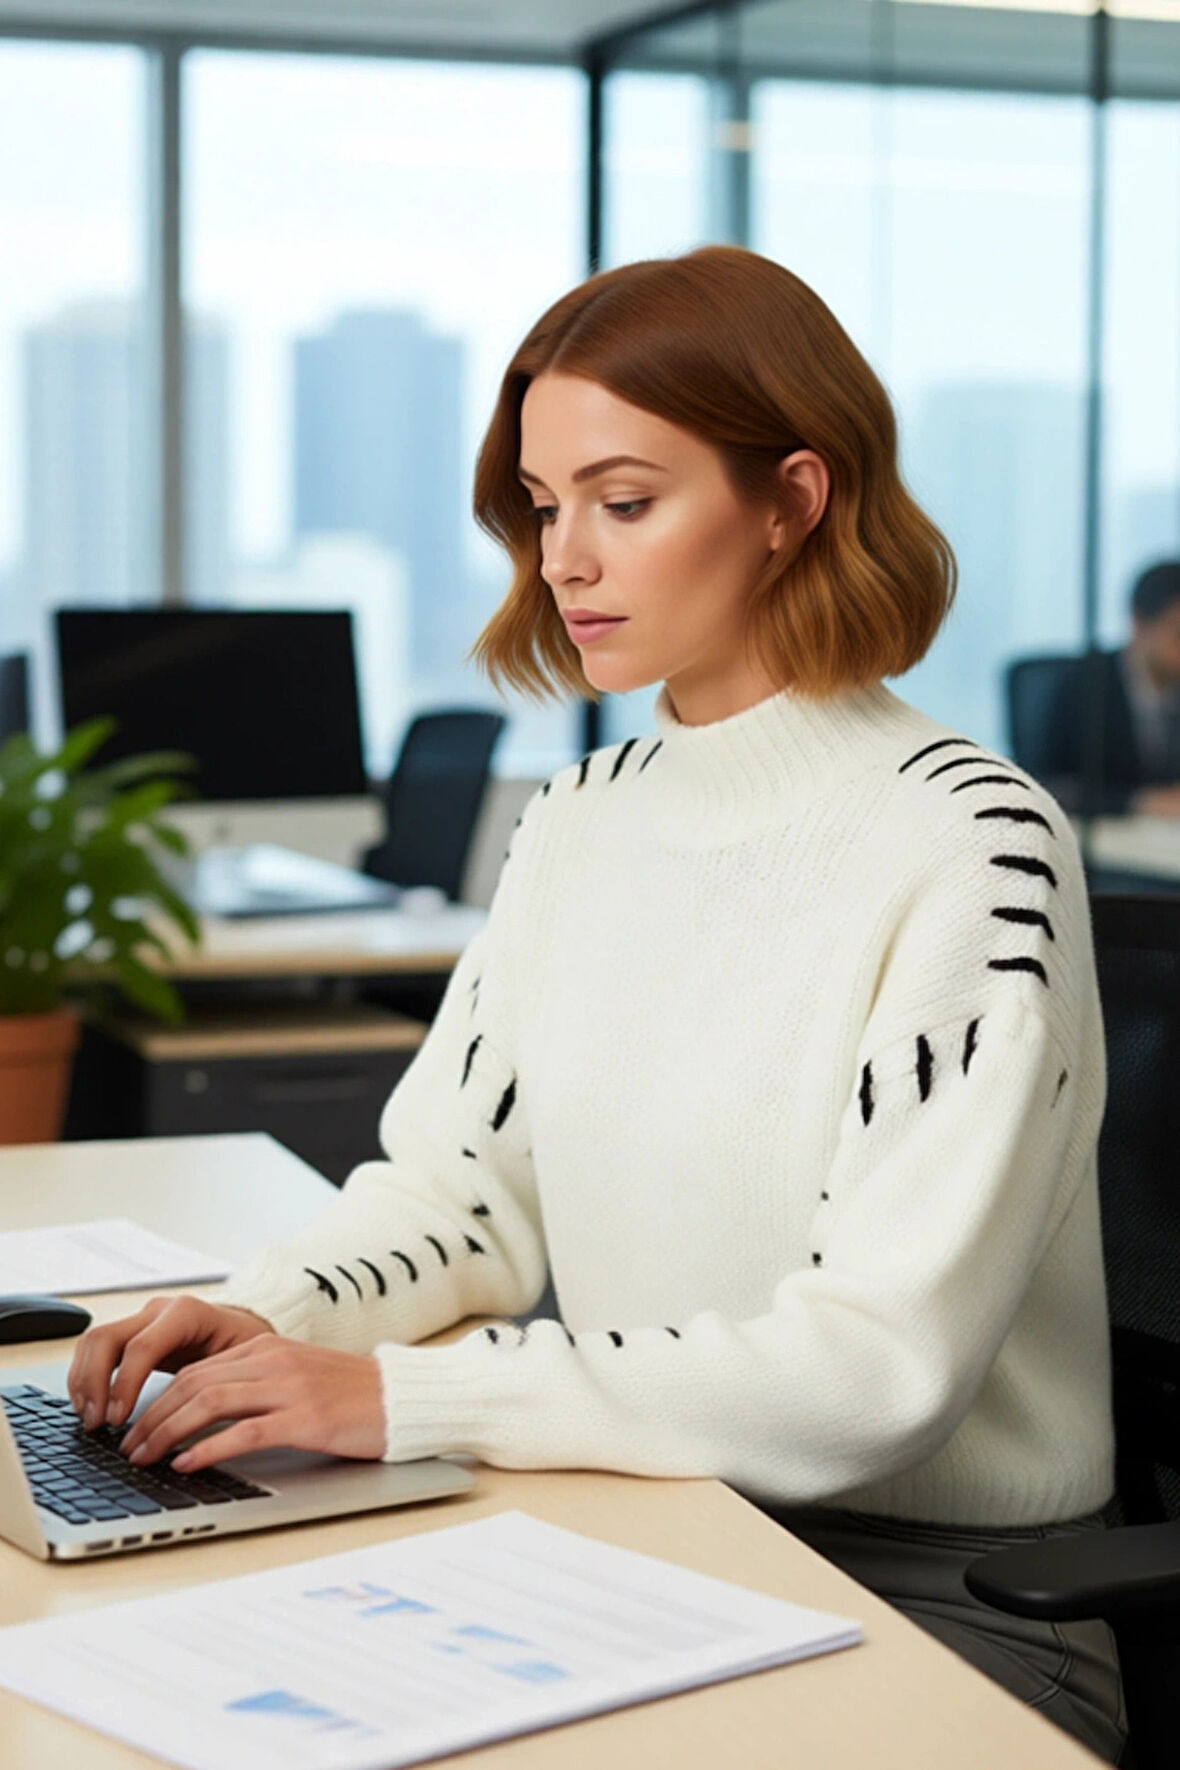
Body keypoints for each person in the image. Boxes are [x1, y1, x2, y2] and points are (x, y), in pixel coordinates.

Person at [69, 247, 1124, 1760]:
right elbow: (464, 1195)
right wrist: (264, 1320)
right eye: (545, 506)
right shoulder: (579, 817)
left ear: (791, 500)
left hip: (942, 1607)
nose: (564, 557)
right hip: (647, 1530)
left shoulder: (969, 837)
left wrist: (399, 1399)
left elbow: (868, 1369)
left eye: (623, 502)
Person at [1018, 559, 1180, 816]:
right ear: (1139, 622)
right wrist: (1138, 802)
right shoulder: (1084, 686)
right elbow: (1045, 787)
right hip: (1099, 843)